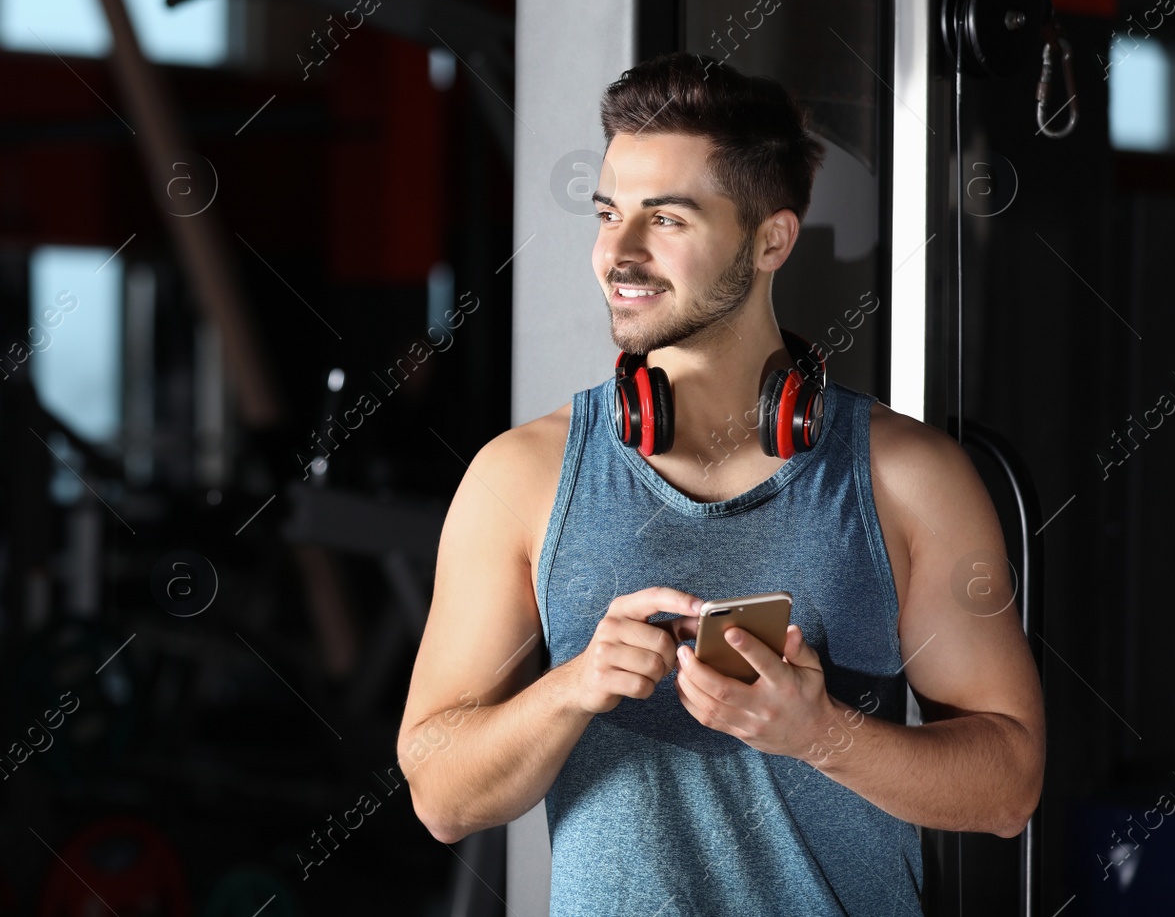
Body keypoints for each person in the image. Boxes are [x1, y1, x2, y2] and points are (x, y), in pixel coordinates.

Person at [396, 52, 1045, 915]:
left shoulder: (909, 477)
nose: (617, 254)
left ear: (771, 238)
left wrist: (821, 736)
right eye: (608, 214)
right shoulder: (519, 477)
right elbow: (440, 795)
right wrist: (574, 687)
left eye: (665, 219)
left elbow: (1008, 785)